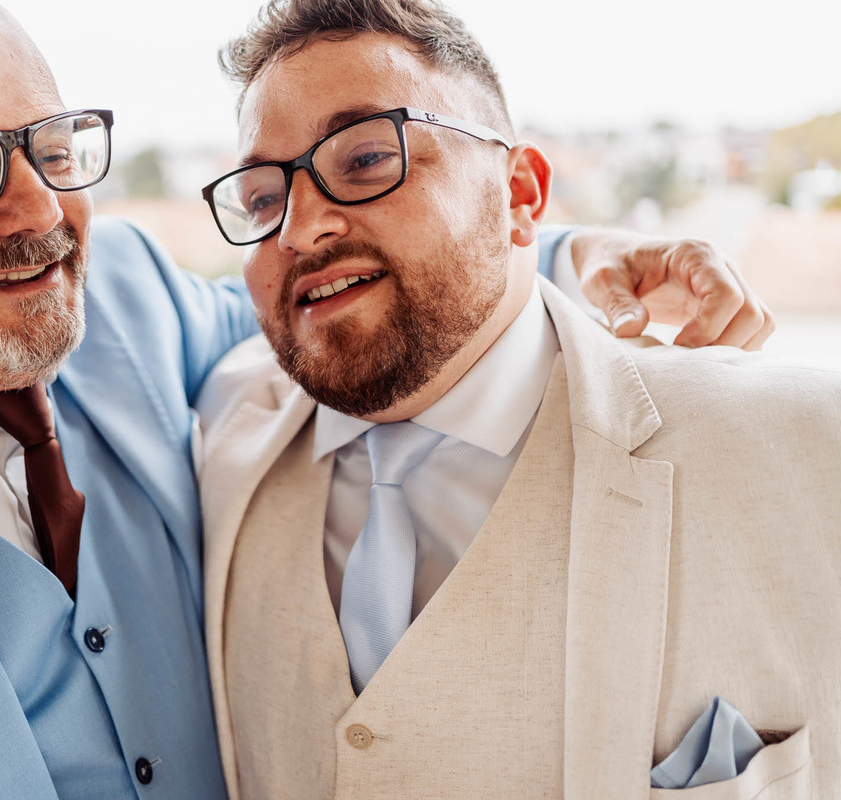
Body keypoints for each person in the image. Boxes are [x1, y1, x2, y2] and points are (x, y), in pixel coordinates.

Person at [0, 0, 778, 797]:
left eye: (49, 144)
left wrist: (579, 252)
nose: (35, 212)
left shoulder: (127, 295)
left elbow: (343, 310)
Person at [194, 0, 841, 797]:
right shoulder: (219, 434)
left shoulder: (807, 449)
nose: (301, 227)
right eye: (263, 200)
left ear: (523, 195)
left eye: (366, 159)